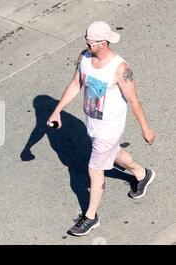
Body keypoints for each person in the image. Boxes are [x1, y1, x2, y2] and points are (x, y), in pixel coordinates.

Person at [47, 21, 156, 236]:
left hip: (110, 127)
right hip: (92, 123)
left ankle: (90, 217)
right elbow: (75, 84)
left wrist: (146, 129)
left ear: (104, 43)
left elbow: (134, 101)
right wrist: (57, 110)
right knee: (112, 152)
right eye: (86, 41)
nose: (87, 45)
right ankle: (141, 174)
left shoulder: (120, 69)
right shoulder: (84, 57)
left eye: (91, 43)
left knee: (95, 168)